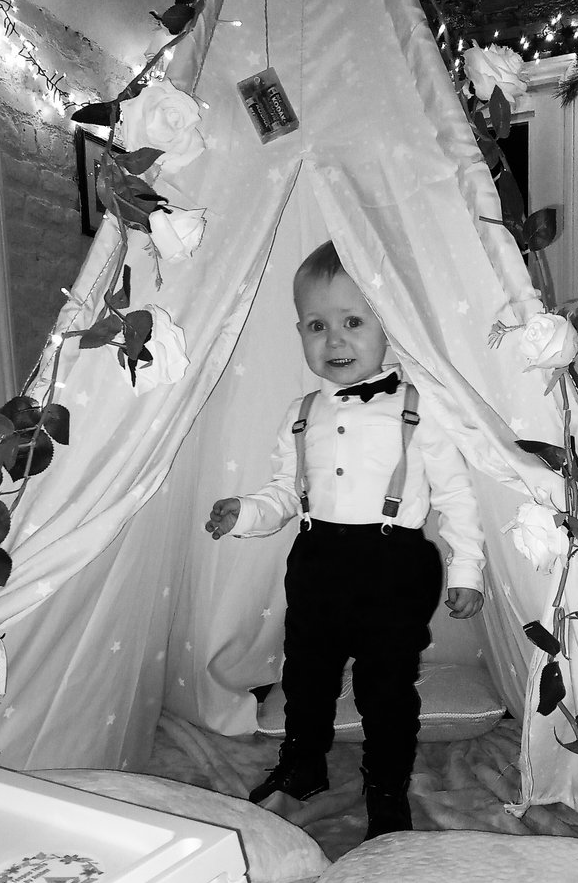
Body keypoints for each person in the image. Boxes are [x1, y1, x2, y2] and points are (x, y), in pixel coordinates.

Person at [205, 241, 484, 841]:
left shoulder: (419, 408)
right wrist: (245, 513)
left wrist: (467, 571)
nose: (334, 340)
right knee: (306, 674)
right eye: (317, 325)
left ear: (390, 325)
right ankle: (303, 763)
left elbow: (456, 496)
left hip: (394, 562)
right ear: (299, 331)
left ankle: (386, 782)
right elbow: (284, 493)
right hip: (317, 559)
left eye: (353, 322)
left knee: (387, 685)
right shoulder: (299, 412)